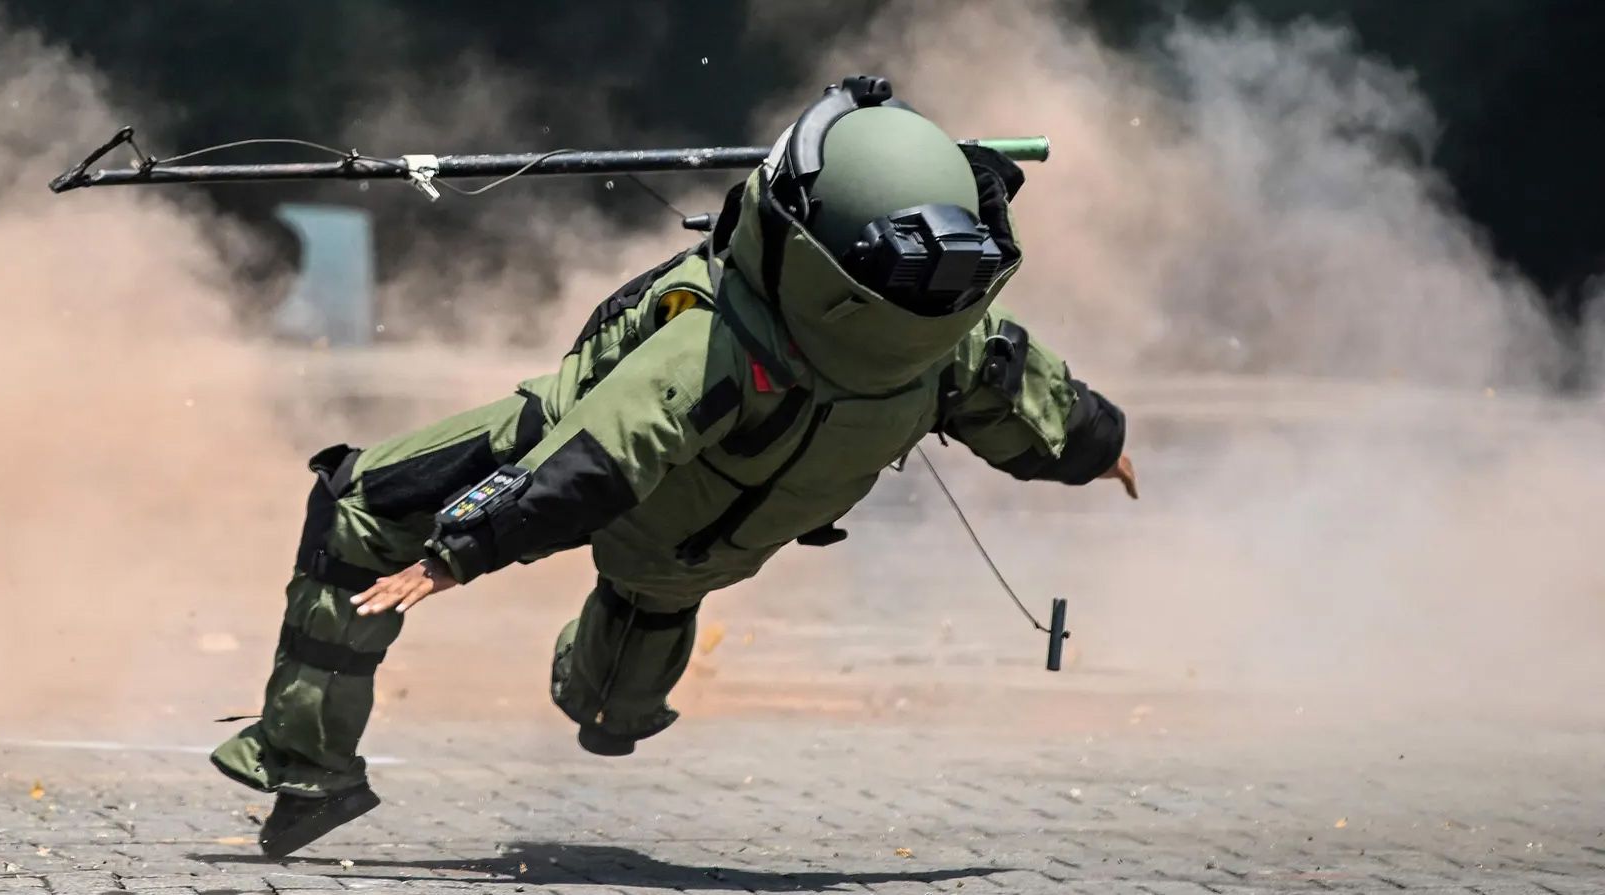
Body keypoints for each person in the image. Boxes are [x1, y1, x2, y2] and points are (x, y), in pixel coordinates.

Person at [211, 75, 1139, 858]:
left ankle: (307, 766)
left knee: (358, 503)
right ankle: (612, 710)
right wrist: (1105, 449)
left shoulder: (716, 347)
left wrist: (458, 549)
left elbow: (596, 455)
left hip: (596, 473)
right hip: (694, 556)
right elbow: (1042, 409)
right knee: (625, 658)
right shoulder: (952, 344)